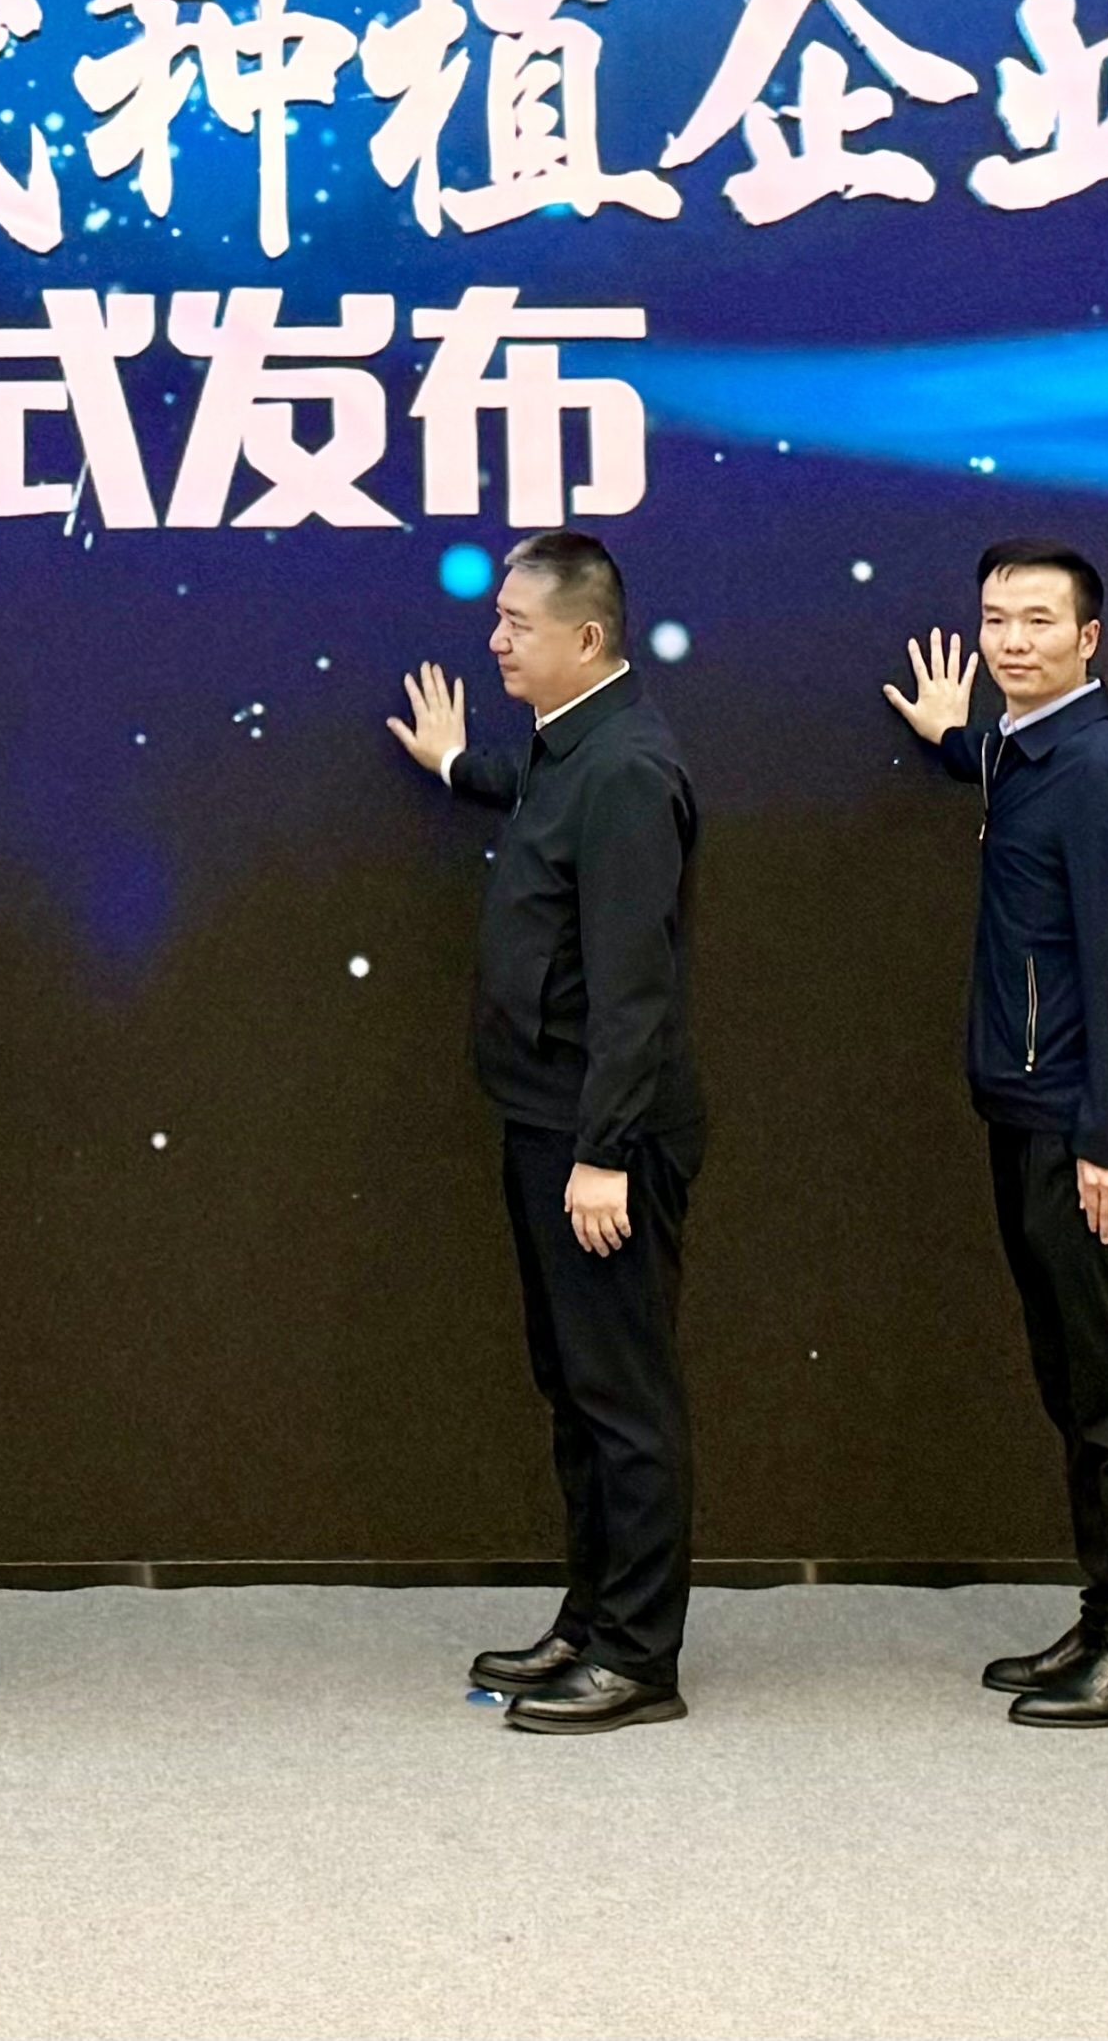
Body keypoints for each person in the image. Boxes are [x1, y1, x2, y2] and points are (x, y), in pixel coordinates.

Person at [388, 528, 703, 1733]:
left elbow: (635, 987)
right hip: (545, 1122)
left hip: (597, 1137)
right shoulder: (570, 750)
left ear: (587, 636)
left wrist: (603, 1153)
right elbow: (532, 794)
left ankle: (638, 1657)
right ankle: (591, 1617)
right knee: (574, 1387)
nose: (495, 641)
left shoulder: (626, 770)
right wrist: (458, 763)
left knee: (623, 1398)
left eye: (516, 625)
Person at [884, 540, 1108, 1727]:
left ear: (1088, 639)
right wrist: (953, 739)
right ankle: (1104, 1619)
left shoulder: (1096, 769)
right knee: (1071, 1387)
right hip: (1021, 1111)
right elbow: (1000, 768)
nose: (1012, 641)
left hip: (1074, 1129)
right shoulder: (1021, 750)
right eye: (996, 619)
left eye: (1039, 622)